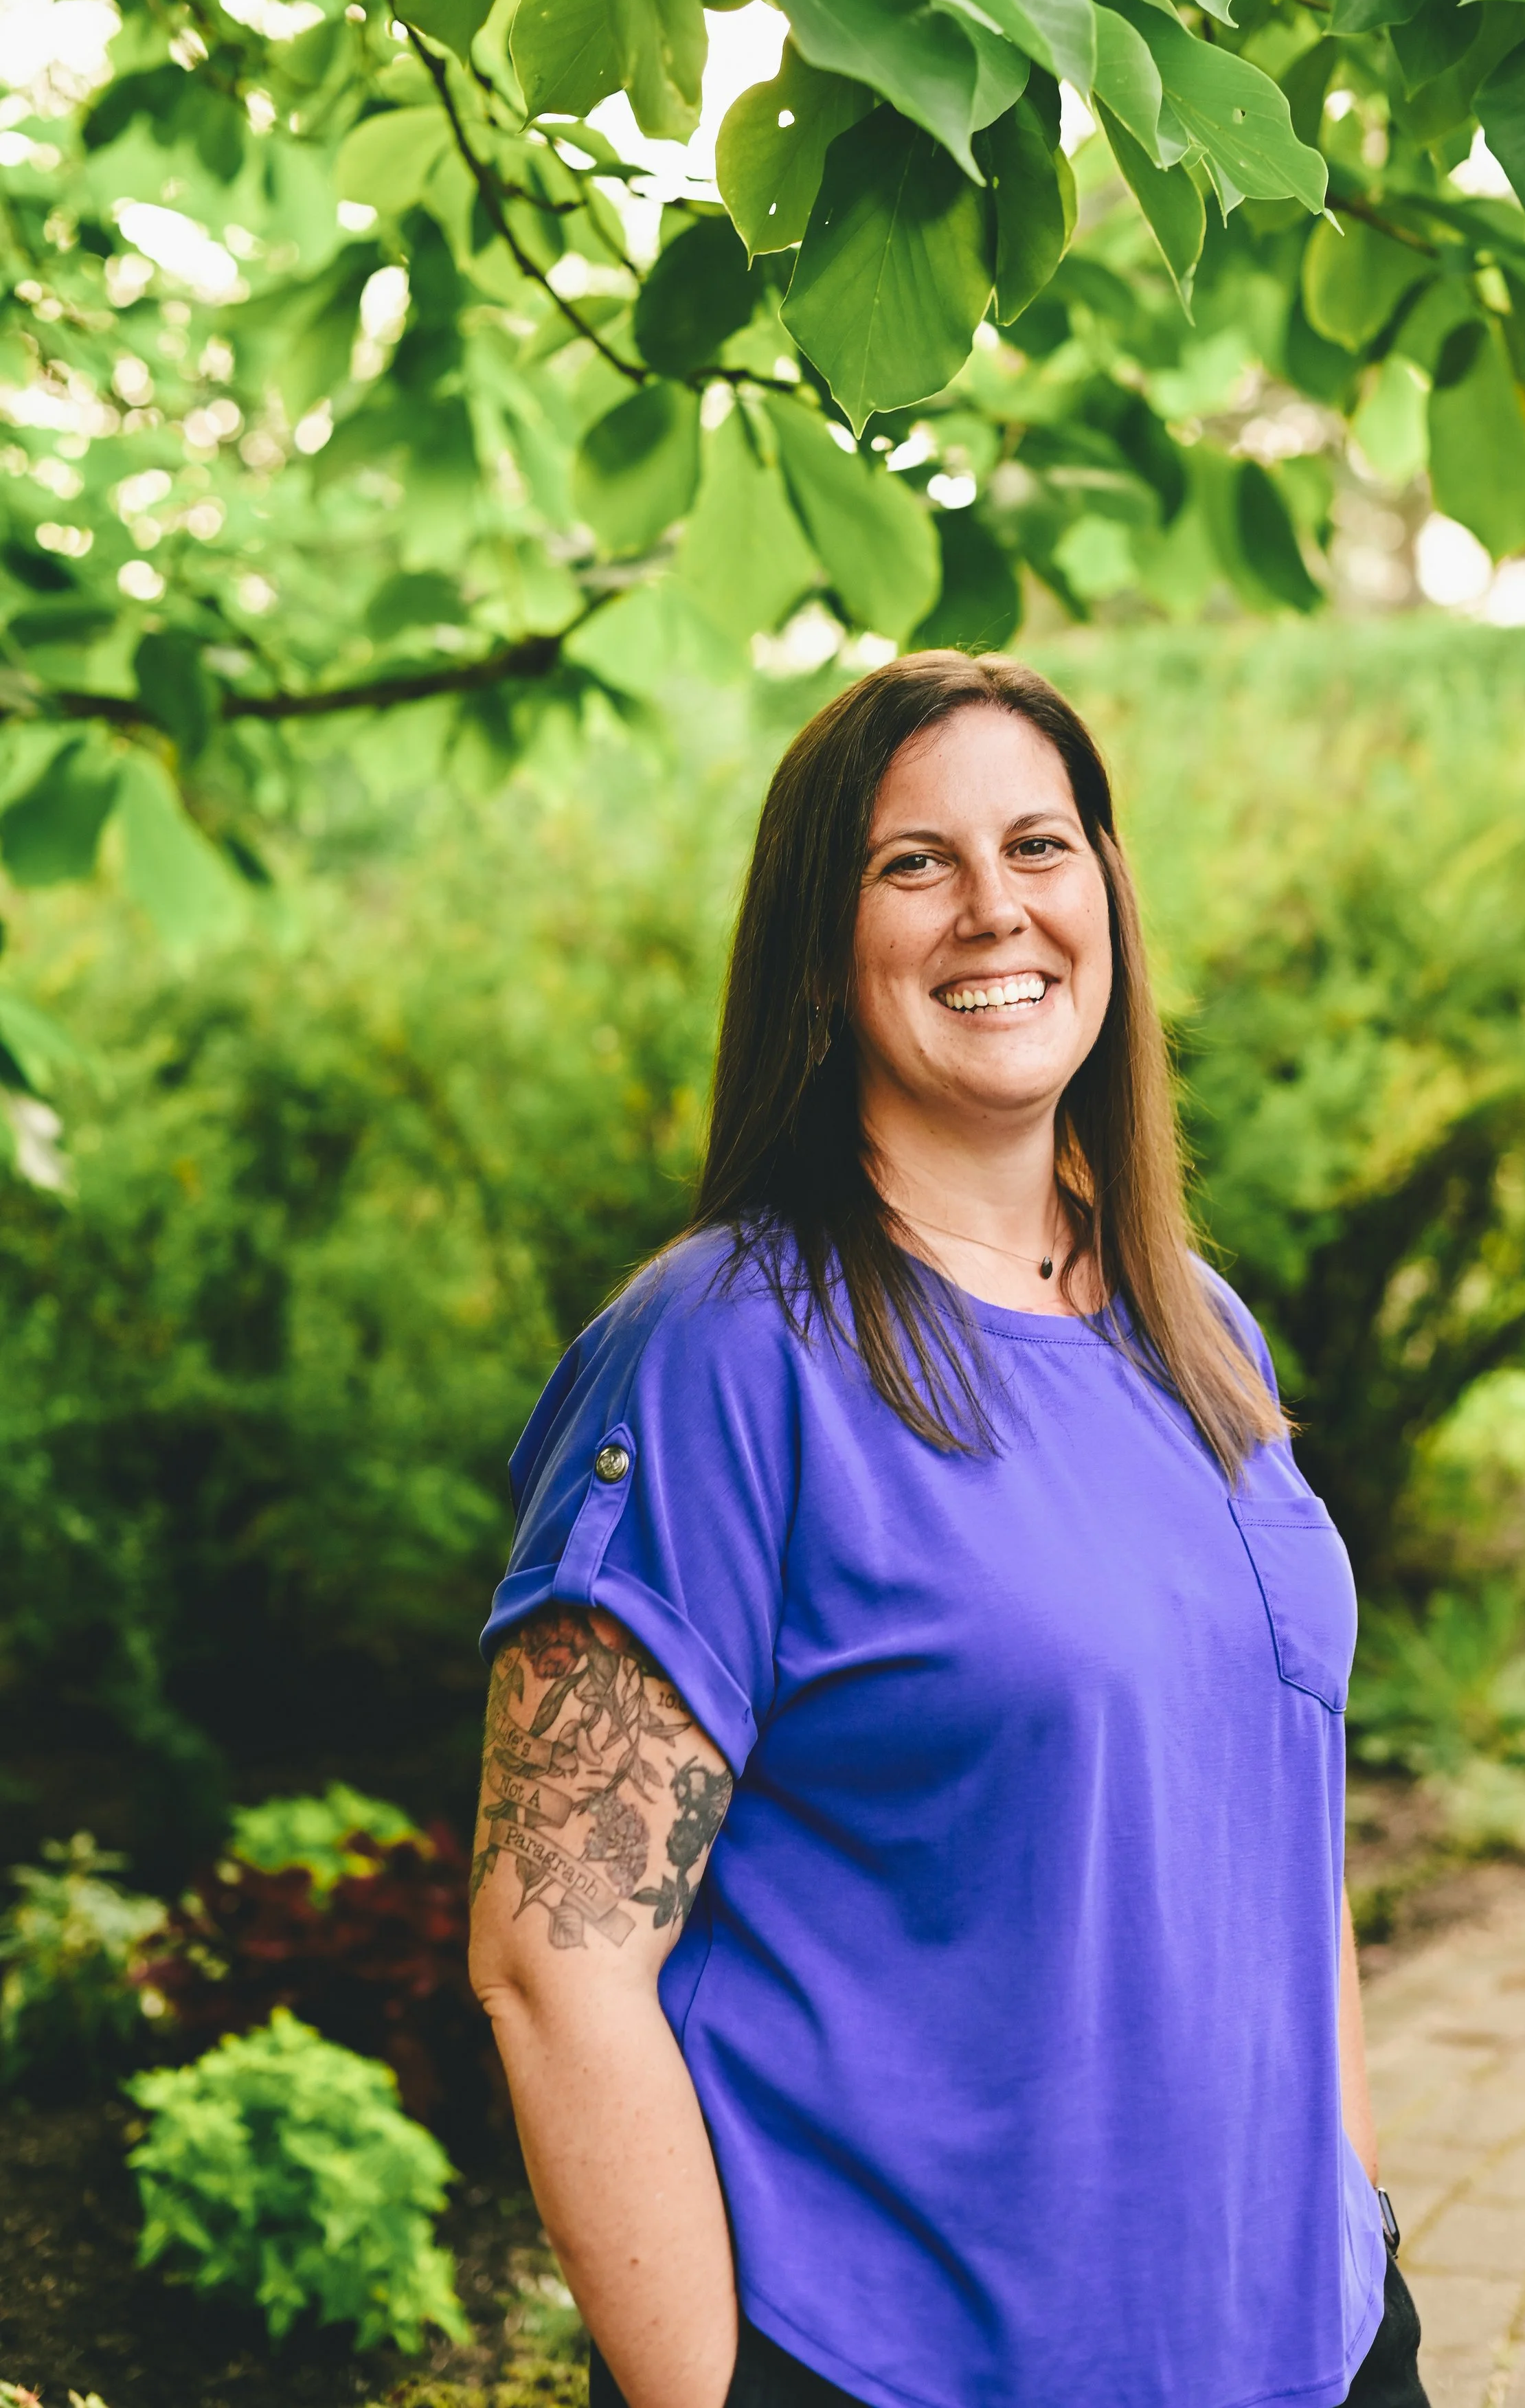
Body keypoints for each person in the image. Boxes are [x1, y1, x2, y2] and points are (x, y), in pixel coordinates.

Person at [469, 651, 1431, 2408]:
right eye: (913, 864)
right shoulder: (717, 1356)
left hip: (1305, 2343)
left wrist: (1349, 2233)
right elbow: (553, 1963)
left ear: (1108, 899)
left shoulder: (1197, 1329)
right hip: (901, 2366)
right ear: (820, 951)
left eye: (1039, 847)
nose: (995, 908)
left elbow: (1264, 1821)